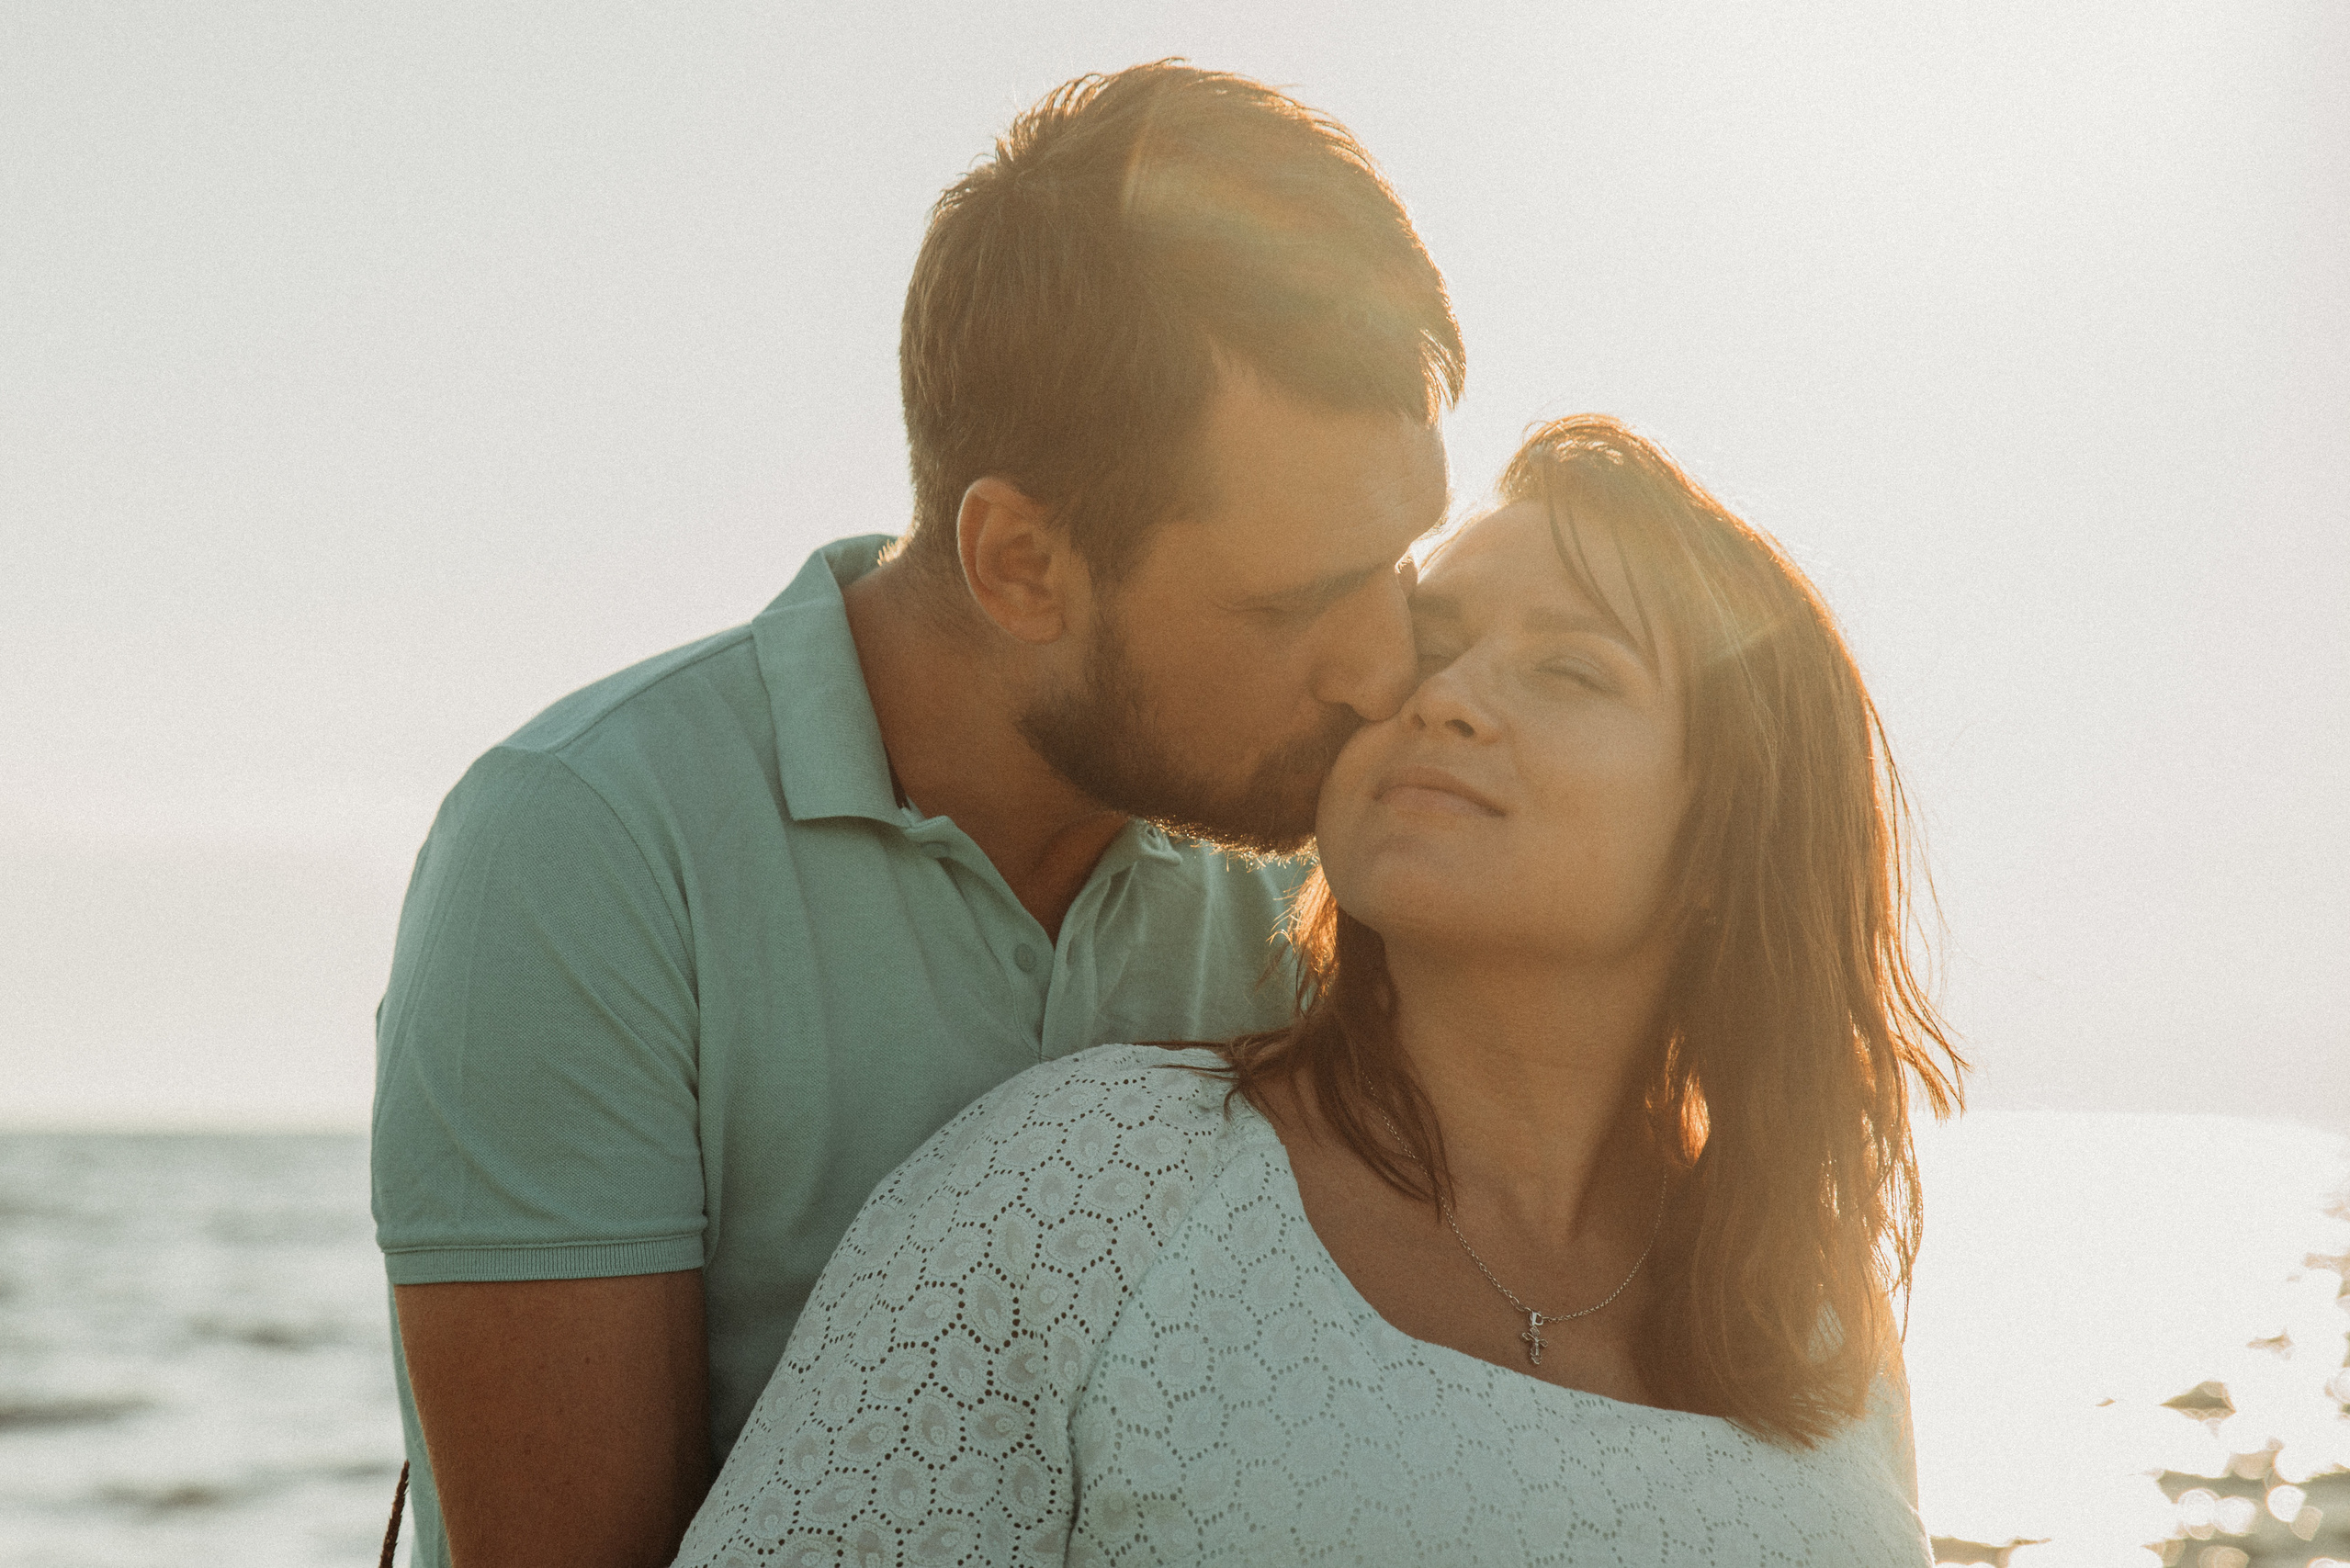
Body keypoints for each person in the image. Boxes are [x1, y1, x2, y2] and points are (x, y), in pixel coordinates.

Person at [369, 63, 1463, 1568]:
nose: (1388, 671)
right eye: (1296, 603)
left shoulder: (1330, 862)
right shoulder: (582, 852)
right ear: (1019, 564)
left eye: (1403, 564)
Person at [676, 415, 1967, 1567]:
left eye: (1571, 669)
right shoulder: (1083, 1188)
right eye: (1433, 643)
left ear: (1734, 837)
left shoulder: (1805, 1305)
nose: (1445, 698)